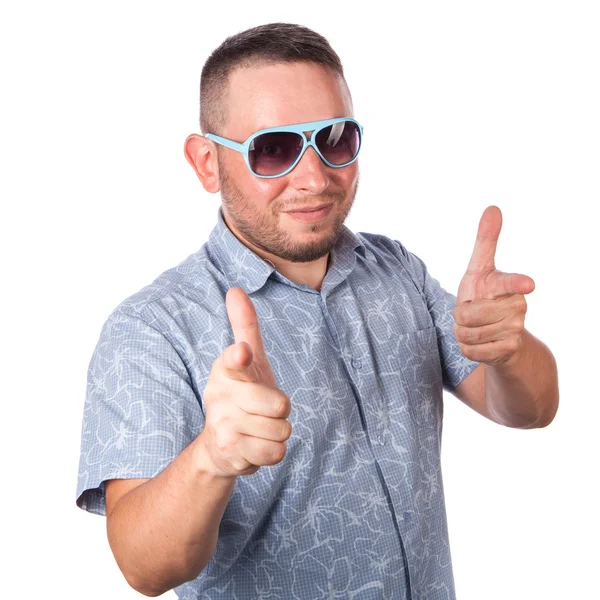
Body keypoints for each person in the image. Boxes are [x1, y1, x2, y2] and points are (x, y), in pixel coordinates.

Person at [75, 22, 559, 600]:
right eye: (272, 149)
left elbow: (531, 410)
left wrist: (506, 352)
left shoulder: (397, 269)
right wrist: (212, 458)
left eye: (335, 138)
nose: (314, 176)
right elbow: (143, 567)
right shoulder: (151, 330)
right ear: (207, 162)